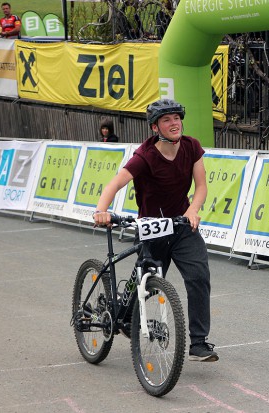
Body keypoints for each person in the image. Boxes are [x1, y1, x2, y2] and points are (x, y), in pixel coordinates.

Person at [93, 99, 218, 362]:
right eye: (166, 120)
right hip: (151, 228)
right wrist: (101, 210)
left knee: (198, 276)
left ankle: (198, 343)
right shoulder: (145, 156)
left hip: (182, 224)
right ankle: (124, 316)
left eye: (176, 118)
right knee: (145, 286)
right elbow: (115, 184)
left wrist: (192, 211)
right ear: (155, 127)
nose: (174, 124)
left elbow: (201, 187)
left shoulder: (191, 146)